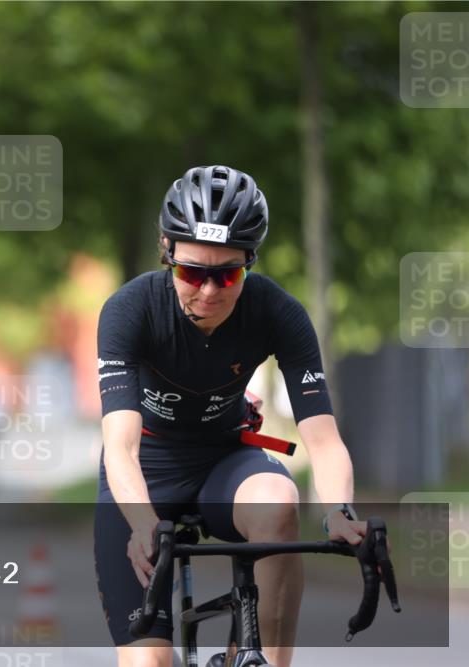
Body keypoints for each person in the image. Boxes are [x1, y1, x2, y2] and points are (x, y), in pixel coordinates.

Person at [95, 165, 363, 667]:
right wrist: (139, 521)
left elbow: (323, 440)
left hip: (226, 464)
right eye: (192, 272)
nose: (210, 290)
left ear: (250, 263)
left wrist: (339, 511)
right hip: (145, 475)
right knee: (149, 662)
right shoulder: (129, 310)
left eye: (229, 273)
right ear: (167, 254)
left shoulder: (279, 313)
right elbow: (121, 446)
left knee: (280, 499)